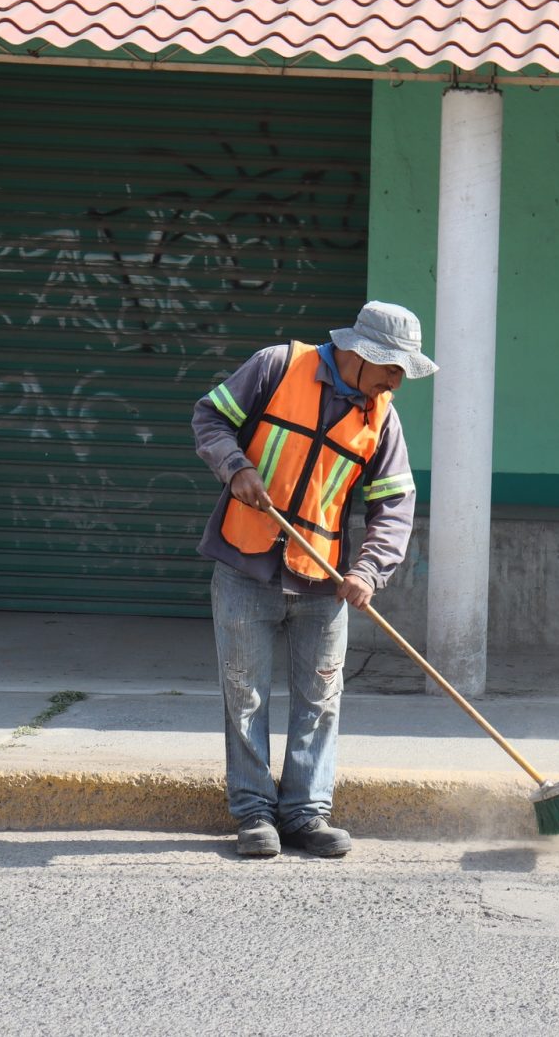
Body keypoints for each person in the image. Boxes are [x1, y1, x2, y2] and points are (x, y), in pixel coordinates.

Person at [192, 301, 436, 858]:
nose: (398, 379)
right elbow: (210, 417)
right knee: (245, 694)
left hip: (322, 579)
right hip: (244, 564)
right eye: (393, 367)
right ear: (359, 353)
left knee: (321, 696)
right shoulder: (277, 366)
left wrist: (368, 570)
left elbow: (394, 502)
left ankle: (306, 813)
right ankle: (254, 813)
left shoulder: (382, 417)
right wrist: (236, 467)